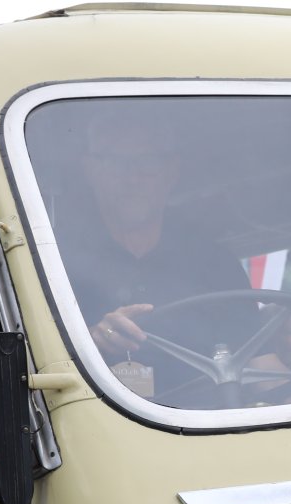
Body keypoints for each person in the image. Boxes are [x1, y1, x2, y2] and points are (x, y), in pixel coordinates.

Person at [62, 111, 252, 400]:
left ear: (172, 171)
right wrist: (90, 341)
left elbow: (257, 359)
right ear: (90, 170)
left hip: (210, 423)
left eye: (148, 161)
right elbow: (28, 367)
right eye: (114, 162)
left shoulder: (217, 265)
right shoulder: (52, 261)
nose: (132, 177)